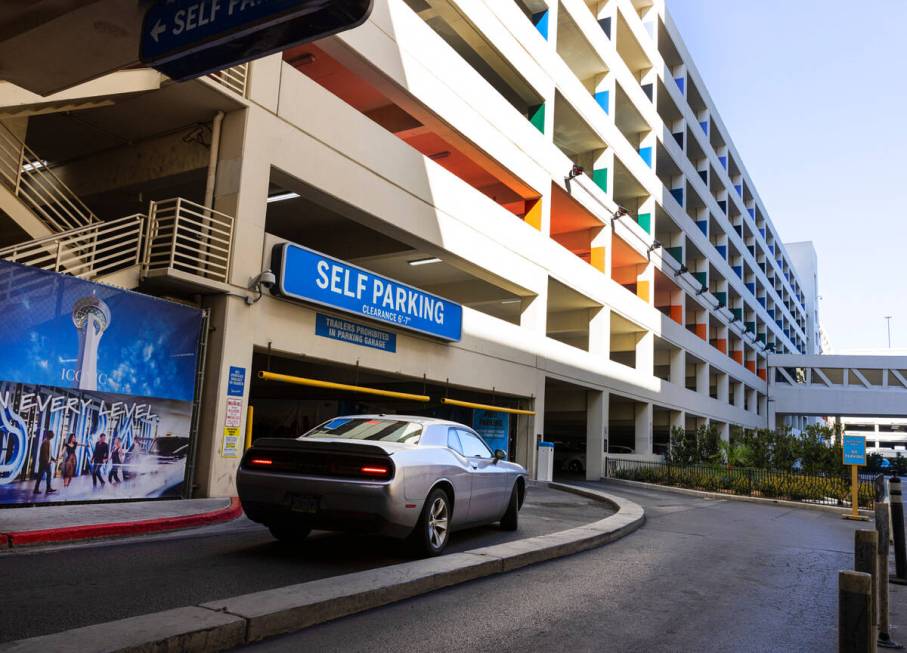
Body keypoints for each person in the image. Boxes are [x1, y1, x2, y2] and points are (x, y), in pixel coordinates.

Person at [32, 430, 57, 495]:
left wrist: (53, 459)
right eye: (52, 434)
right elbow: (45, 454)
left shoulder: (47, 441)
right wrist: (47, 462)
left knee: (40, 476)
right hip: (45, 463)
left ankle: (36, 489)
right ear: (50, 435)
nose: (53, 435)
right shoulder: (46, 442)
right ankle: (47, 488)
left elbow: (49, 453)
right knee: (48, 474)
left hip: (44, 462)